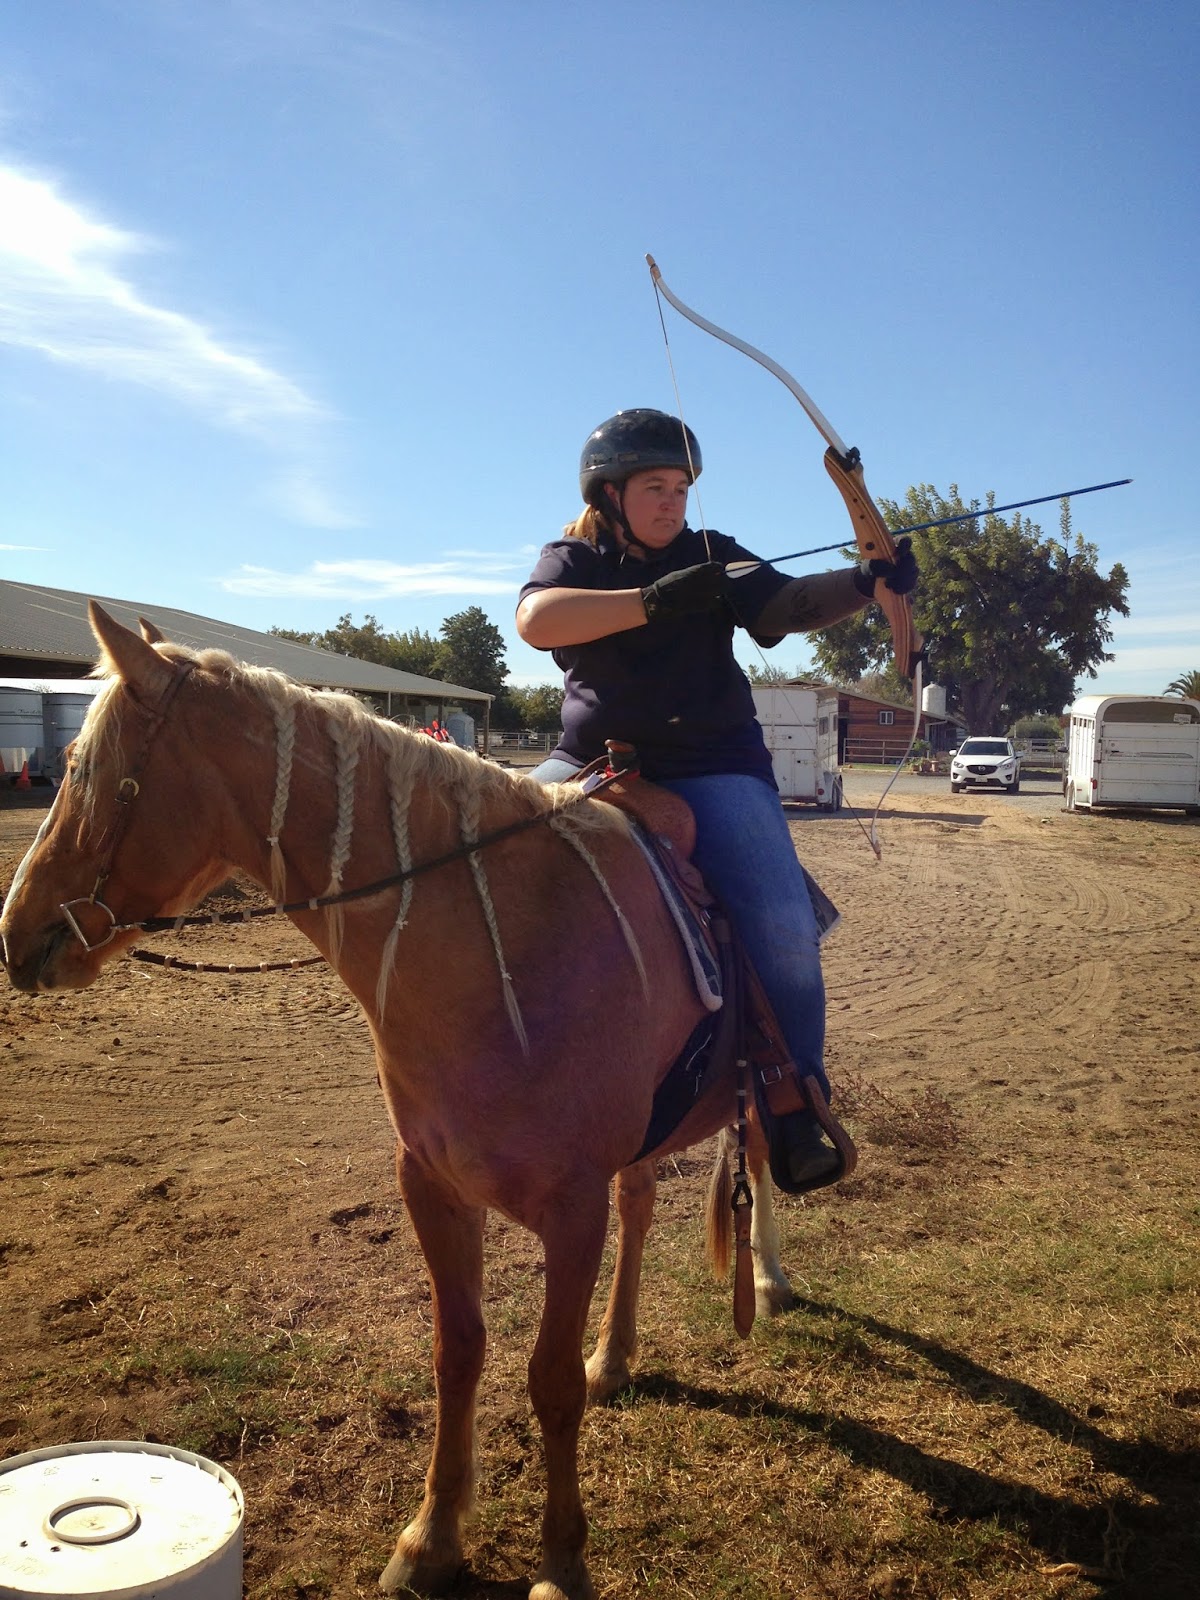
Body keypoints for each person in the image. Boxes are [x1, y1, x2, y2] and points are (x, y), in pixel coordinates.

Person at [515, 408, 917, 1190]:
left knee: (780, 923)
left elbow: (787, 604)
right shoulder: (574, 556)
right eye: (655, 488)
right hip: (593, 761)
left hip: (715, 766)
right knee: (481, 851)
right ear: (610, 494)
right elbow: (537, 620)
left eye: (682, 489)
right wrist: (657, 599)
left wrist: (868, 582)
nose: (673, 503)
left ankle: (796, 1106)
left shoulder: (713, 554)